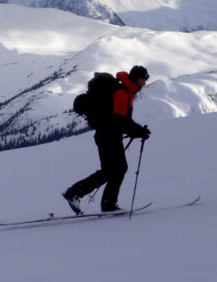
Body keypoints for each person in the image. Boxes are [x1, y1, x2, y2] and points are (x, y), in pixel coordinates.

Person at [63, 65, 151, 214]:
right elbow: (118, 119)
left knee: (114, 169)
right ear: (136, 79)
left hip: (108, 134)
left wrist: (136, 130)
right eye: (143, 79)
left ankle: (103, 202)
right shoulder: (123, 92)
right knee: (115, 169)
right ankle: (78, 194)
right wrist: (138, 131)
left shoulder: (125, 91)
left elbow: (119, 119)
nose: (145, 82)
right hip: (108, 135)